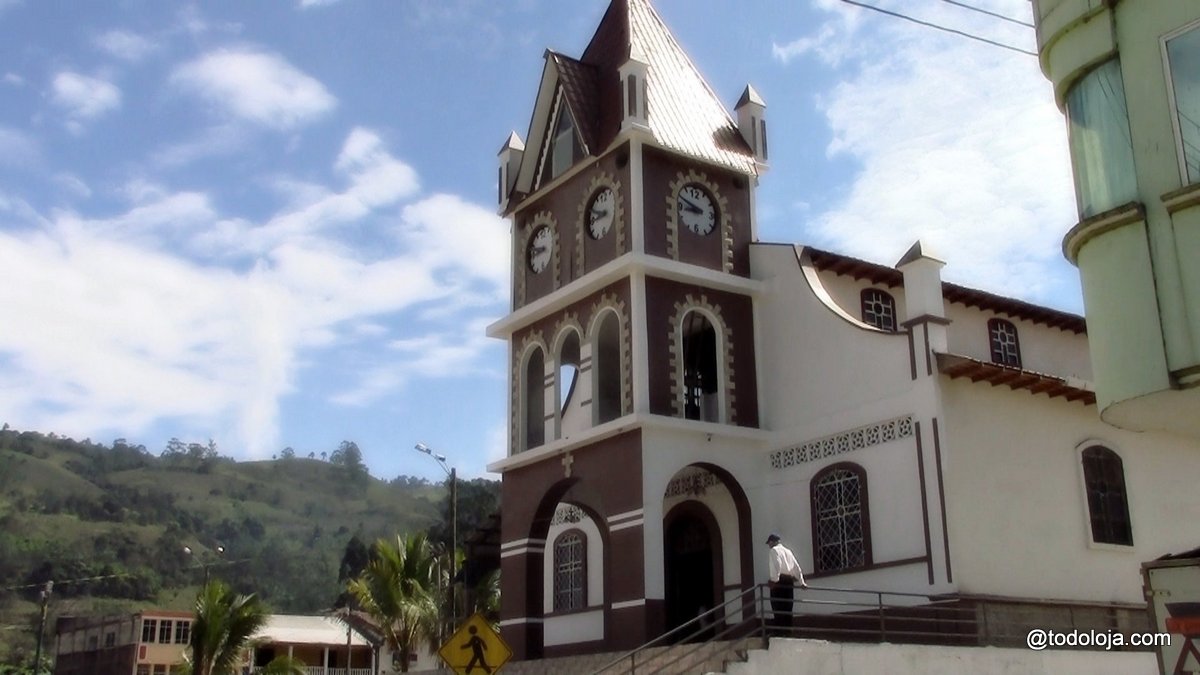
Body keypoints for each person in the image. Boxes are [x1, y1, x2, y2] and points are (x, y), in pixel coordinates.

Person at [766, 533, 806, 635]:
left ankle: (779, 631)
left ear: (772, 542)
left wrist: (774, 580)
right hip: (789, 581)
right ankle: (788, 631)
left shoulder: (774, 551)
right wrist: (801, 582)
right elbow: (796, 567)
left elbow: (776, 565)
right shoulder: (788, 551)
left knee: (777, 605)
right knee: (788, 606)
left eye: (769, 543)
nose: (769, 545)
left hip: (779, 581)